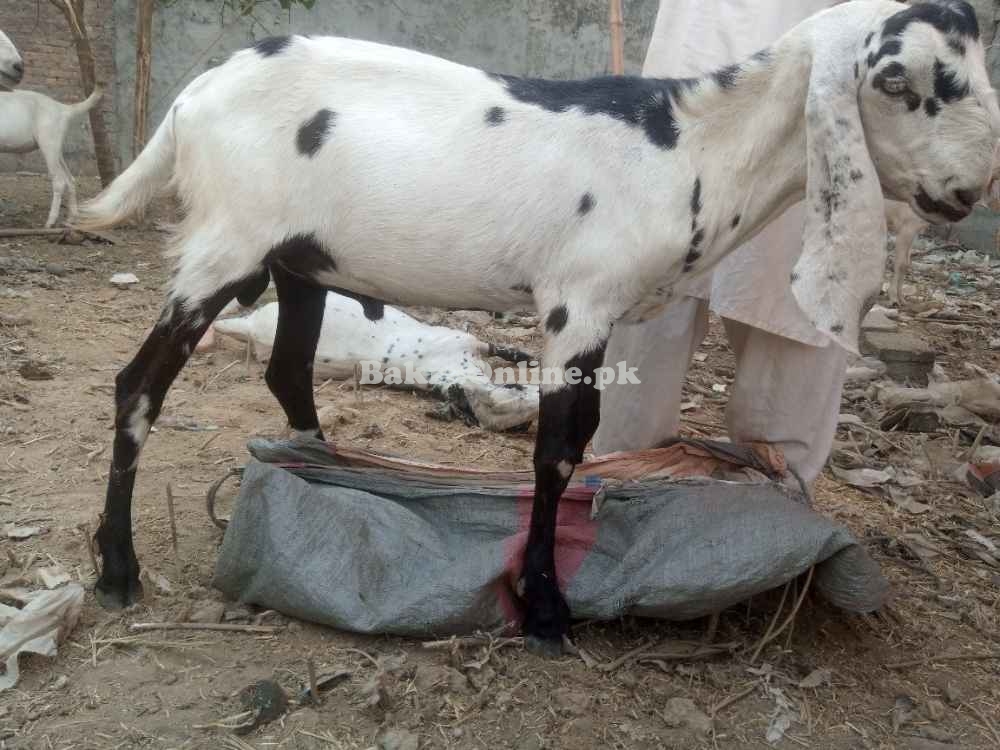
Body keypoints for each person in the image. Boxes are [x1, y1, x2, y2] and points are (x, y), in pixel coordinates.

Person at [593, 0, 846, 487]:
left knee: (798, 296)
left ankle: (768, 507)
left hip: (815, 85)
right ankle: (623, 486)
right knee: (655, 290)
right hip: (695, 74)